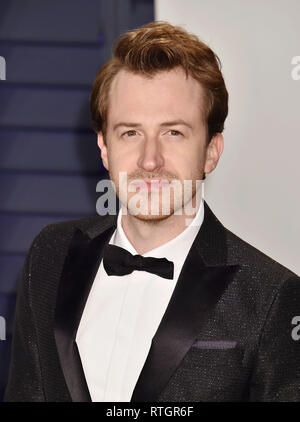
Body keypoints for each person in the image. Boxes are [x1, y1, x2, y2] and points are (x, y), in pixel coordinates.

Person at [4, 21, 300, 402]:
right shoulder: (50, 254)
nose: (149, 160)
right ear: (104, 148)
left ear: (211, 150)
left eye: (173, 132)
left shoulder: (272, 296)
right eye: (130, 132)